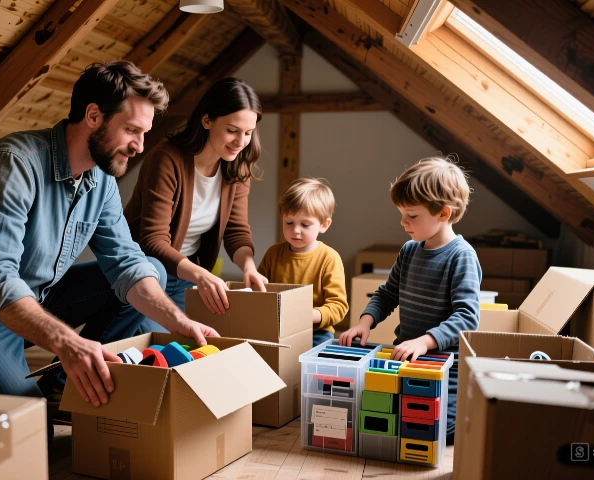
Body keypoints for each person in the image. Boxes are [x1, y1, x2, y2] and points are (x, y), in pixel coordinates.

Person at [0, 61, 219, 440]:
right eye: (132, 130)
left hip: (32, 302)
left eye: (144, 133)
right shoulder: (13, 163)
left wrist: (177, 322)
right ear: (93, 115)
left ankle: (60, 380)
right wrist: (69, 342)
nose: (139, 146)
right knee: (35, 434)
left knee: (151, 268)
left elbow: (127, 264)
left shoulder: (101, 180)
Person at [339, 155, 482, 445]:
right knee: (383, 419)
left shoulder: (461, 256)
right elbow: (387, 293)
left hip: (445, 367)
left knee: (441, 432)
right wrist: (364, 323)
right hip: (404, 358)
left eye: (412, 216)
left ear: (443, 213)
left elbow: (467, 316)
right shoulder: (409, 250)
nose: (403, 222)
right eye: (402, 214)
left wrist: (424, 341)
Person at [121, 77, 267, 325]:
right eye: (232, 130)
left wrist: (249, 266)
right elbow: (153, 241)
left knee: (178, 350)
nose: (241, 142)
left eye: (248, 133)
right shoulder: (166, 159)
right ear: (207, 120)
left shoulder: (237, 168)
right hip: (143, 273)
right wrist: (201, 275)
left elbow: (236, 232)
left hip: (186, 277)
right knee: (135, 349)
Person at [258, 178, 348, 347]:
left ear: (324, 225)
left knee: (312, 363)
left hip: (316, 332)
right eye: (289, 222)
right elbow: (258, 291)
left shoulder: (329, 258)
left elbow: (338, 307)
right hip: (276, 330)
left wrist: (309, 316)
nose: (295, 230)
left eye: (305, 224)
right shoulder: (273, 253)